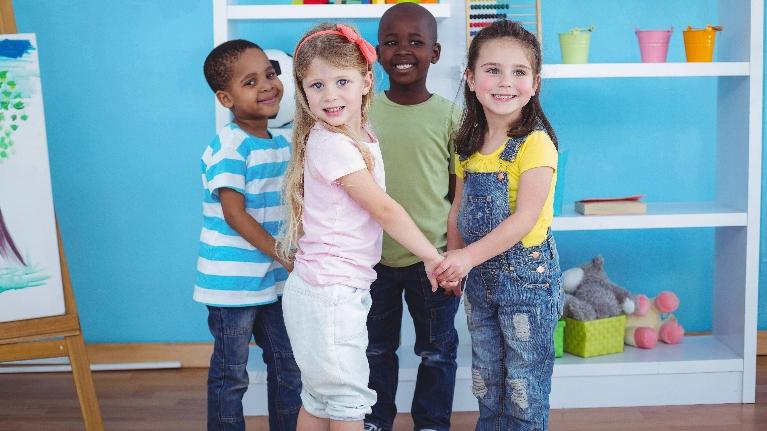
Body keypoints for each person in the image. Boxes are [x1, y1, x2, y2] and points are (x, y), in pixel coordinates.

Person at [277, 23, 445, 431]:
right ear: (303, 93)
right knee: (348, 404)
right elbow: (385, 211)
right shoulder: (332, 144)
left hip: (326, 291)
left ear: (367, 82)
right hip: (329, 296)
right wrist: (432, 257)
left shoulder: (358, 135)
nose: (330, 95)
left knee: (320, 399)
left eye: (342, 81)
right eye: (316, 85)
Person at [435, 20, 565, 431]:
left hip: (528, 281)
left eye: (519, 72)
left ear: (535, 82)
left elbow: (524, 220)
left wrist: (466, 257)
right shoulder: (467, 144)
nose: (505, 81)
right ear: (470, 79)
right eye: (492, 70)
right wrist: (454, 260)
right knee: (488, 381)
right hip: (479, 282)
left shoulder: (535, 144)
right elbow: (458, 207)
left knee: (524, 385)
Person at [364, 3, 460, 431]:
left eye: (416, 42)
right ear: (377, 53)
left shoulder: (451, 116)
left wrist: (454, 257)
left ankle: (433, 423)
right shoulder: (360, 114)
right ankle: (375, 420)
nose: (403, 50)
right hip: (371, 260)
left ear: (434, 53)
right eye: (391, 42)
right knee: (374, 350)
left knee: (437, 350)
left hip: (433, 261)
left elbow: (458, 195)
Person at [196, 39, 301, 431]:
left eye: (271, 75)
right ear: (226, 98)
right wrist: (281, 252)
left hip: (272, 281)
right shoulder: (229, 144)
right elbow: (234, 214)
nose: (267, 85)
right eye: (251, 81)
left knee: (287, 363)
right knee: (231, 372)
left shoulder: (279, 142)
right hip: (232, 285)